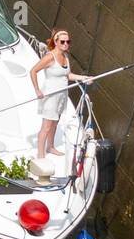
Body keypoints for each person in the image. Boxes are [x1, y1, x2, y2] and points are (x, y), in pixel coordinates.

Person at [30, 29, 91, 160]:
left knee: (55, 122)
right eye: (62, 41)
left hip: (62, 95)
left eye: (68, 42)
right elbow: (33, 71)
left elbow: (67, 75)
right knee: (46, 127)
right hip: (50, 96)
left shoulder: (65, 57)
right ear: (56, 42)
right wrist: (37, 90)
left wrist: (83, 77)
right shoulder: (50, 57)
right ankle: (40, 156)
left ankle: (50, 147)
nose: (65, 44)